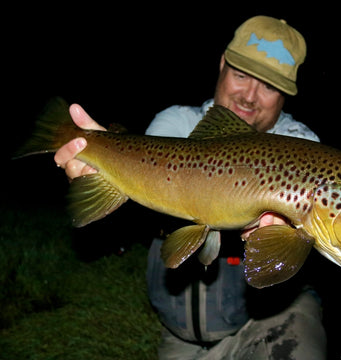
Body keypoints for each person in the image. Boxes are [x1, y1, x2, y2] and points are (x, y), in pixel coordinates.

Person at [55, 16, 327, 359]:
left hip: (261, 326)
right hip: (179, 337)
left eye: (269, 86)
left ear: (286, 94)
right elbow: (147, 186)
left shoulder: (301, 147)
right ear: (222, 64)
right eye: (241, 75)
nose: (249, 97)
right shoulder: (176, 122)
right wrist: (100, 160)